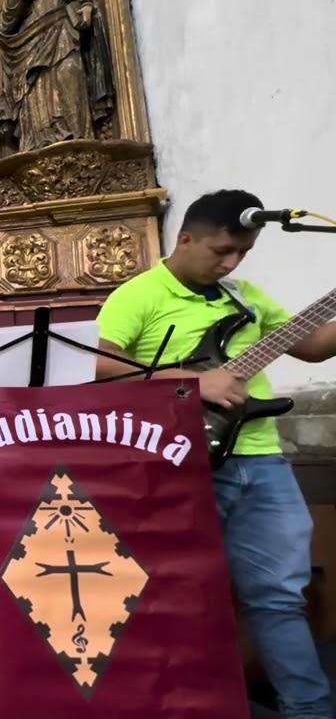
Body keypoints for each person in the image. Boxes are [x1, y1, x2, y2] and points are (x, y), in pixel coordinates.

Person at [94, 189, 336, 719]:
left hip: (261, 458)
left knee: (280, 596)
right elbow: (98, 365)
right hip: (180, 462)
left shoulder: (242, 295)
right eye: (222, 251)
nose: (231, 263)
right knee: (177, 594)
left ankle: (310, 710)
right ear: (185, 239)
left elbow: (314, 346)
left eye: (242, 253)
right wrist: (191, 381)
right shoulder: (139, 294)